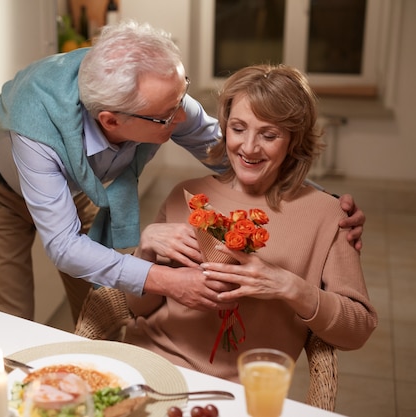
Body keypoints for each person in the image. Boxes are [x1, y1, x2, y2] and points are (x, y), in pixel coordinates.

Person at [0, 21, 365, 324]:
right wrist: (165, 279)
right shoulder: (36, 126)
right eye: (166, 116)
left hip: (77, 182)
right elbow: (64, 247)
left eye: (182, 97)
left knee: (100, 299)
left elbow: (232, 153)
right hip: (0, 187)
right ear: (111, 120)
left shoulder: (158, 99)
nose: (182, 118)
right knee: (13, 313)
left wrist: (322, 202)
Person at [123, 64, 378, 380]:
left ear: (293, 140)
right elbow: (139, 309)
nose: (249, 147)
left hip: (241, 392)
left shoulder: (330, 216)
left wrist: (288, 286)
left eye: (269, 134)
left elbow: (357, 330)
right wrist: (145, 252)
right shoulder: (184, 196)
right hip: (147, 364)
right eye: (238, 128)